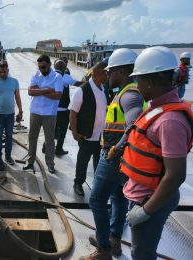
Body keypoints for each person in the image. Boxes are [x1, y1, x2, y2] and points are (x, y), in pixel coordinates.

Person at [121, 46, 193, 259]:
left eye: (139, 81)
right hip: (143, 193)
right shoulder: (157, 108)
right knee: (139, 249)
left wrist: (146, 211)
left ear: (150, 83)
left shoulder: (170, 121)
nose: (137, 86)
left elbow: (176, 174)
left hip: (151, 199)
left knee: (142, 253)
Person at [81, 48, 145, 259]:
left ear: (123, 71)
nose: (107, 75)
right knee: (118, 197)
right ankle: (113, 239)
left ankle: (103, 249)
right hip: (123, 159)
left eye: (111, 71)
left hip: (114, 157)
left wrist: (116, 148)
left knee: (97, 201)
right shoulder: (129, 92)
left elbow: (133, 124)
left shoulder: (130, 95)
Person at [69, 62, 108, 196]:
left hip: (101, 136)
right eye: (106, 73)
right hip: (87, 134)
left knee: (99, 162)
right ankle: (78, 182)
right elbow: (73, 112)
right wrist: (74, 132)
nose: (108, 75)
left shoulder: (104, 89)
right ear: (98, 74)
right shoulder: (82, 90)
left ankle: (97, 186)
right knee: (83, 160)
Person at [23, 54, 63, 174]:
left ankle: (50, 164)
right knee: (32, 137)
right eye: (39, 67)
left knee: (49, 139)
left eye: (44, 67)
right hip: (35, 111)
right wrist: (47, 89)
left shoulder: (57, 77)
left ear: (50, 65)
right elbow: (30, 91)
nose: (41, 69)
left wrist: (39, 90)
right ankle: (30, 162)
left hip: (49, 113)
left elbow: (57, 95)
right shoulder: (35, 74)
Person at [0, 60, 23, 165]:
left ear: (8, 70)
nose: (3, 74)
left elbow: (17, 97)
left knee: (9, 136)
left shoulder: (14, 81)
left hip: (10, 115)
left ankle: (8, 157)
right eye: (1, 72)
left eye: (5, 72)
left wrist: (20, 111)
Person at [54, 57, 84, 155]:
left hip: (51, 108)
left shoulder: (50, 75)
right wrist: (90, 82)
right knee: (62, 129)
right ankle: (58, 148)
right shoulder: (64, 76)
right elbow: (78, 83)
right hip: (62, 109)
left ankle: (46, 147)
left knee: (51, 129)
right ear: (64, 68)